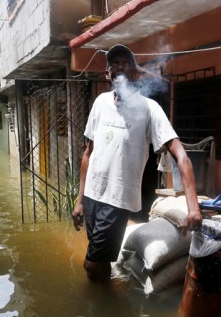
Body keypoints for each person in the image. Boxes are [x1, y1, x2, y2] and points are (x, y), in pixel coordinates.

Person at [71, 45, 203, 282]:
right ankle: (103, 305)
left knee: (90, 265)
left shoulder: (149, 109)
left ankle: (100, 309)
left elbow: (181, 155)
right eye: (114, 63)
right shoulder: (100, 102)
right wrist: (80, 201)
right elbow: (88, 154)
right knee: (99, 262)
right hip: (92, 196)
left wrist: (193, 208)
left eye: (126, 63)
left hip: (117, 201)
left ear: (136, 73)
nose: (120, 66)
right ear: (106, 73)